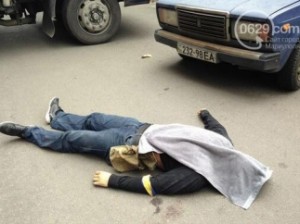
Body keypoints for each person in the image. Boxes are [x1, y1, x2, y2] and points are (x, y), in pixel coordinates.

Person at [0, 97, 272, 209]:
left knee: (74, 140)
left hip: (132, 145)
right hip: (142, 125)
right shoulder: (223, 145)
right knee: (94, 118)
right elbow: (217, 127)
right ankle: (57, 117)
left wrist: (111, 181)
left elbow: (153, 184)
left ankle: (28, 133)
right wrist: (206, 114)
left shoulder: (196, 176)